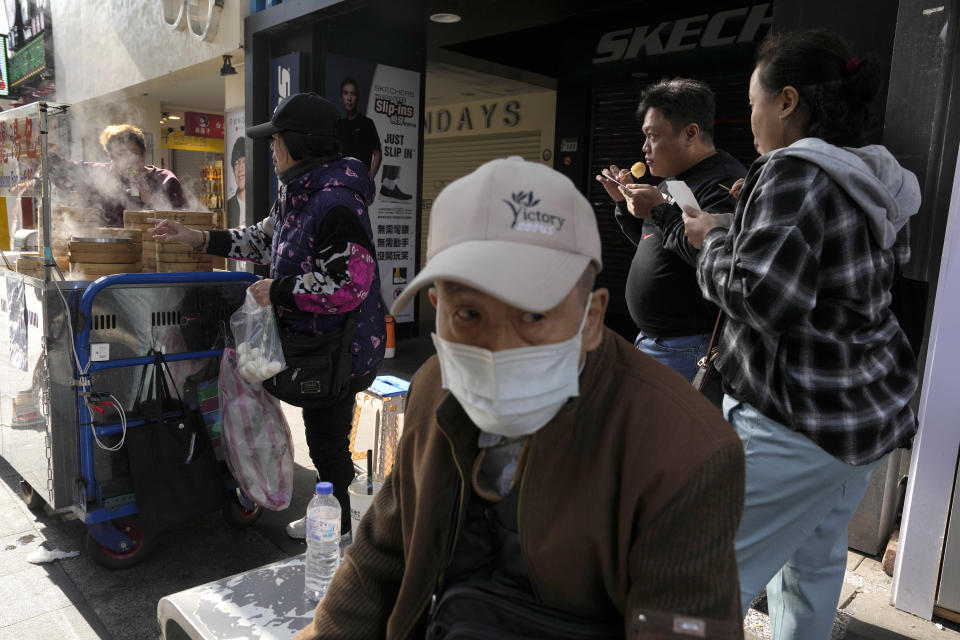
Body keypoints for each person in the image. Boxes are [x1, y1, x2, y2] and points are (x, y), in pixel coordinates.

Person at [293, 157, 746, 639]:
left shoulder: (686, 453)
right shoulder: (433, 387)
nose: (496, 348)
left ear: (591, 318)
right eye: (467, 312)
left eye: (532, 315)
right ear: (436, 306)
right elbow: (381, 555)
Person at [682, 31, 920, 639]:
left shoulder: (794, 171)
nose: (750, 116)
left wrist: (711, 241)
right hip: (863, 419)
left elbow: (764, 297)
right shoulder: (869, 173)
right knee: (806, 578)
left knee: (700, 583)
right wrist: (739, 224)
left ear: (787, 101)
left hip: (793, 424)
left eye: (754, 99)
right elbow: (827, 275)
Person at [149, 92, 386, 538]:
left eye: (275, 141)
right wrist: (197, 238)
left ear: (298, 143)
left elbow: (350, 283)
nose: (270, 150)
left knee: (327, 438)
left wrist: (278, 289)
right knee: (325, 435)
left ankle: (345, 528)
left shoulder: (334, 202)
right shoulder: (298, 193)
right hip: (320, 341)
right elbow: (260, 242)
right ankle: (336, 516)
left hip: (342, 346)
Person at [595, 78, 745, 381]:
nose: (644, 147)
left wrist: (658, 211)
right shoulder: (673, 180)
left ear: (690, 133)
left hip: (688, 348)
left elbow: (713, 262)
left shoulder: (724, 185)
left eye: (652, 136)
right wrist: (626, 207)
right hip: (654, 342)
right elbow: (658, 248)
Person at [50, 124, 185, 226]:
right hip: (104, 252)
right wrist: (42, 155)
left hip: (151, 252)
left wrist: (150, 201)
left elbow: (181, 222)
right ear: (110, 155)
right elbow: (63, 169)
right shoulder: (99, 175)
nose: (126, 160)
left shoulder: (165, 180)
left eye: (132, 153)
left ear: (144, 154)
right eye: (119, 154)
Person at [335, 77, 382, 177]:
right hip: (343, 181)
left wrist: (369, 179)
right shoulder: (339, 125)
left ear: (358, 97)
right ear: (341, 97)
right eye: (346, 93)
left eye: (353, 93)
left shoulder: (367, 123)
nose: (349, 98)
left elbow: (377, 154)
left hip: (361, 181)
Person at [225, 136, 246, 230]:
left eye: (244, 162)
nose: (239, 168)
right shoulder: (229, 204)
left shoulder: (260, 201)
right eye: (236, 163)